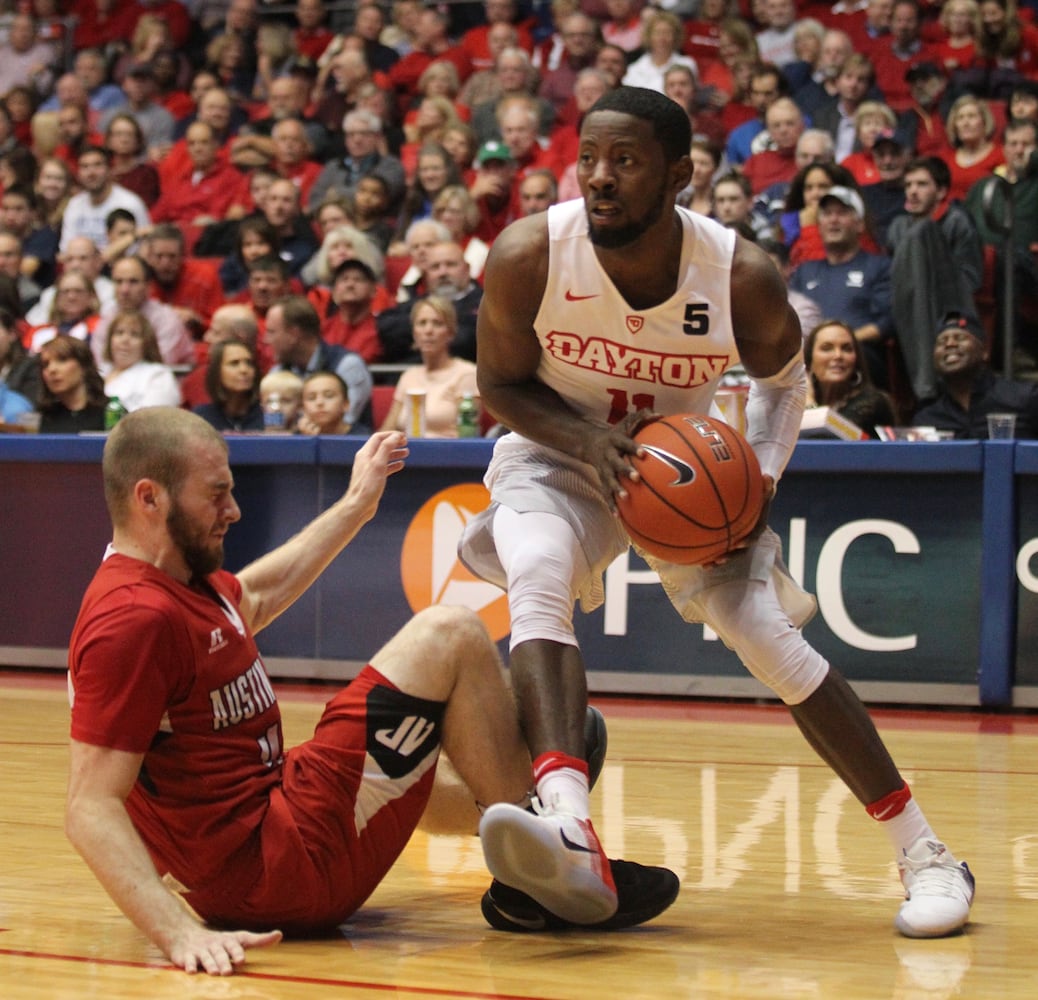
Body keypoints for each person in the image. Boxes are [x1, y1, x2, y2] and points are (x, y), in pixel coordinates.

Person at [460, 86, 974, 937]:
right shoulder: (529, 253)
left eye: (624, 161)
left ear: (679, 175)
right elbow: (500, 386)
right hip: (557, 450)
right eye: (588, 158)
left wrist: (761, 483)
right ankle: (567, 822)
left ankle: (926, 854)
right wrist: (588, 441)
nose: (599, 178)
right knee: (538, 570)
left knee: (766, 637)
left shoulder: (738, 273)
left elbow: (786, 382)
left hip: (680, 470)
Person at [64, 405, 538, 973]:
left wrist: (357, 505)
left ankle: (535, 799)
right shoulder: (132, 621)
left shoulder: (174, 580)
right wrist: (176, 933)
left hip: (264, 841)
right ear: (150, 499)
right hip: (280, 866)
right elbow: (89, 806)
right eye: (215, 494)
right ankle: (538, 873)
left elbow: (258, 598)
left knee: (424, 749)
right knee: (450, 633)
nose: (233, 511)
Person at [913, 312, 1038, 437]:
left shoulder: (1025, 399)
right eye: (941, 342)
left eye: (960, 338)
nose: (950, 344)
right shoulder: (927, 421)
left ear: (984, 352)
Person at [264, 294, 373, 432]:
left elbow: (343, 422)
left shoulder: (347, 365)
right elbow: (272, 423)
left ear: (293, 334)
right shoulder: (279, 371)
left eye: (271, 332)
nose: (266, 339)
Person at [379, 297, 479, 437]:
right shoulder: (409, 375)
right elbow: (386, 431)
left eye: (437, 323)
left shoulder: (466, 374)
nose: (428, 330)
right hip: (407, 454)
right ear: (414, 333)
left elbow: (468, 436)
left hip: (448, 455)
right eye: (422, 323)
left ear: (450, 333)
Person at [803, 318, 897, 436]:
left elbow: (832, 442)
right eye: (827, 348)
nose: (838, 355)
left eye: (847, 349)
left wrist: (809, 405)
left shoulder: (873, 403)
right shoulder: (793, 403)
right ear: (810, 360)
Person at [101, 309, 183, 411]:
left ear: (147, 343)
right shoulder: (99, 372)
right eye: (119, 333)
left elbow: (153, 419)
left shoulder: (158, 375)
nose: (125, 340)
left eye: (134, 334)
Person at [36, 334, 108, 433]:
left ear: (83, 366)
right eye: (45, 364)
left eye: (62, 360)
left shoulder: (112, 411)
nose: (51, 369)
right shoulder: (43, 416)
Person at [193, 339, 264, 432]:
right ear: (216, 371)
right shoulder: (202, 417)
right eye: (234, 363)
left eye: (249, 363)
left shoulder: (267, 414)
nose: (244, 370)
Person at [296, 369, 354, 434]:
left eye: (329, 396)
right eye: (311, 398)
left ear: (346, 404)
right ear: (303, 407)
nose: (319, 402)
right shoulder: (295, 439)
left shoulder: (364, 439)